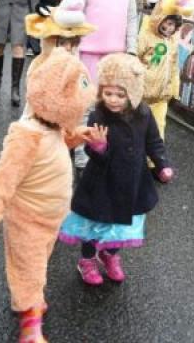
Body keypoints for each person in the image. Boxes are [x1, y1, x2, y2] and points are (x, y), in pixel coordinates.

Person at [0, 48, 96, 342]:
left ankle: (26, 298)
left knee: (36, 263)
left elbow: (56, 150)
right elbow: (2, 181)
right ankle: (30, 327)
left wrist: (77, 136)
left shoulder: (53, 127)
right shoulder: (26, 134)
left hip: (51, 217)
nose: (80, 110)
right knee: (29, 266)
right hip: (27, 217)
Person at [59, 53, 172, 285]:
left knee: (122, 224)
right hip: (101, 180)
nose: (113, 100)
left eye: (120, 95)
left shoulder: (144, 113)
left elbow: (153, 141)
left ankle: (110, 255)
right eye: (108, 93)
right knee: (94, 222)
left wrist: (162, 164)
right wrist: (99, 148)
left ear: (133, 93)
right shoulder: (98, 115)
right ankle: (87, 260)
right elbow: (90, 151)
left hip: (132, 181)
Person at [137, 0, 188, 183]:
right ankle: (135, 161)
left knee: (158, 129)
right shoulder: (145, 37)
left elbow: (174, 65)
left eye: (172, 26)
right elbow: (135, 58)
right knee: (137, 129)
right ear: (158, 20)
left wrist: (174, 87)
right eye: (165, 24)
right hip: (143, 94)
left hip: (161, 97)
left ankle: (155, 164)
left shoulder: (173, 41)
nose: (168, 29)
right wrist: (142, 77)